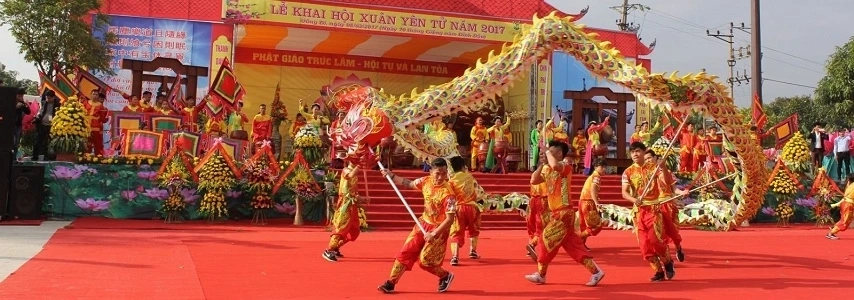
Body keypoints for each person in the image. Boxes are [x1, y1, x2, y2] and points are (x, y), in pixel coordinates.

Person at [524, 141, 605, 286]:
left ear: (559, 153)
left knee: (544, 239)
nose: (548, 152)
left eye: (551, 150)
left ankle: (541, 275)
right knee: (574, 247)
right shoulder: (547, 169)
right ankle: (596, 272)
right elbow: (533, 180)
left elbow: (555, 165)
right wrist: (542, 164)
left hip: (563, 212)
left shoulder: (565, 167)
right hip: (559, 213)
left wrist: (545, 151)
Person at [378, 158, 456, 293]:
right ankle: (391, 282)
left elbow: (450, 219)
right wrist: (392, 175)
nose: (440, 177)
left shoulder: (448, 194)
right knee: (406, 251)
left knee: (425, 262)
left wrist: (434, 233)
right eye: (437, 173)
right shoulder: (425, 181)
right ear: (431, 171)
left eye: (444, 173)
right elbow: (408, 183)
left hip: (438, 229)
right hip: (422, 224)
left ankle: (445, 275)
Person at [621, 142, 675, 282]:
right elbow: (624, 193)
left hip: (654, 210)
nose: (635, 154)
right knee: (644, 246)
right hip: (639, 212)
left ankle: (668, 262)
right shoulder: (628, 172)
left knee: (656, 241)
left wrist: (663, 168)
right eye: (632, 152)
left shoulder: (654, 168)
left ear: (644, 152)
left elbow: (668, 182)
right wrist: (634, 200)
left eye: (638, 151)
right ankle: (658, 271)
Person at [644, 150, 688, 262]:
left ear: (655, 158)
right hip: (655, 206)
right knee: (659, 233)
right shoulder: (645, 174)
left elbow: (674, 189)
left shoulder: (665, 171)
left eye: (649, 158)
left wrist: (681, 192)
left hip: (668, 205)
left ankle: (678, 248)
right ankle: (666, 257)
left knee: (672, 232)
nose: (648, 161)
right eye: (645, 159)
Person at [322, 161, 369, 261]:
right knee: (341, 229)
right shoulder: (346, 170)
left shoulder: (355, 175)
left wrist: (363, 199)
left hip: (352, 205)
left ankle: (335, 247)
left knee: (354, 231)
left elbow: (354, 193)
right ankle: (329, 250)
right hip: (344, 204)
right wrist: (360, 164)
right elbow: (350, 175)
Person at [447, 156, 484, 266]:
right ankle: (472, 250)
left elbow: (450, 195)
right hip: (472, 207)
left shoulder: (452, 180)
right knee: (474, 228)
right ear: (463, 166)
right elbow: (478, 191)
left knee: (456, 231)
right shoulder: (469, 176)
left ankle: (455, 256)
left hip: (459, 208)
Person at [578, 158, 606, 249]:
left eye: (605, 167)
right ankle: (578, 239)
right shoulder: (596, 176)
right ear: (596, 167)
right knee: (595, 225)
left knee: (584, 225)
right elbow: (593, 189)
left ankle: (580, 244)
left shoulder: (593, 176)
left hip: (582, 201)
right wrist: (597, 203)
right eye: (602, 167)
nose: (604, 169)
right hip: (588, 203)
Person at [32, 90, 60, 161]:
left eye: (49, 98)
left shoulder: (58, 104)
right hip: (41, 125)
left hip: (51, 126)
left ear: (53, 97)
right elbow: (40, 112)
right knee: (37, 142)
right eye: (47, 98)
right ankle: (34, 157)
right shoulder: (44, 103)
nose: (48, 99)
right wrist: (37, 117)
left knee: (48, 143)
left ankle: (47, 158)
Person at [826, 173, 854, 240]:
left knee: (845, 220)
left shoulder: (850, 185)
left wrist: (836, 204)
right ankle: (831, 233)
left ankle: (834, 227)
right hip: (848, 205)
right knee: (845, 222)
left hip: (846, 204)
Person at [83, 90, 109, 156]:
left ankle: (99, 157)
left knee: (98, 143)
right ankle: (85, 157)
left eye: (96, 94)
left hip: (96, 127)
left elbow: (103, 118)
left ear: (98, 96)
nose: (95, 96)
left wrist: (106, 118)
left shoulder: (101, 106)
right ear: (90, 95)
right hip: (86, 127)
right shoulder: (86, 103)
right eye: (93, 94)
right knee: (86, 143)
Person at [13, 88, 31, 158]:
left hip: (18, 125)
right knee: (12, 141)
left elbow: (28, 112)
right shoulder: (11, 101)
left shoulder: (22, 103)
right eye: (19, 96)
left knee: (16, 142)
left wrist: (25, 105)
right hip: (11, 125)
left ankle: (14, 158)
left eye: (22, 96)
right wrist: (15, 107)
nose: (21, 97)